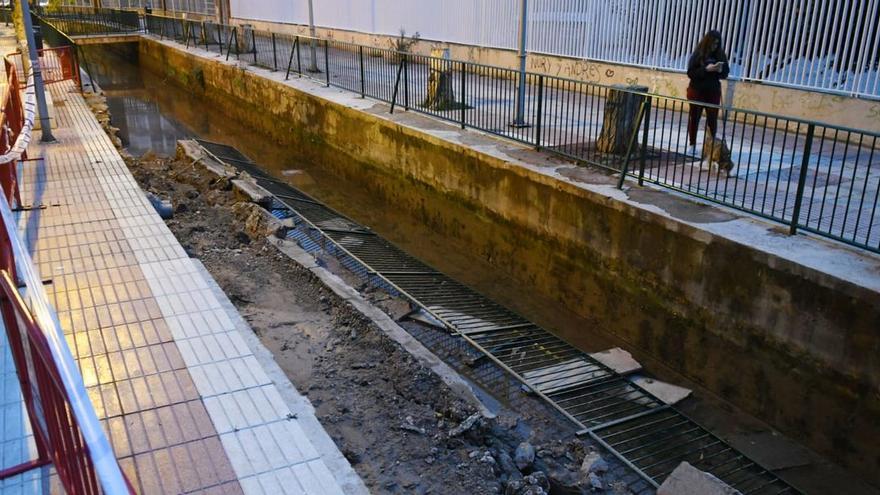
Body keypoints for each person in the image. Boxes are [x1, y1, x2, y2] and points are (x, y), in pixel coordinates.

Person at [686, 30, 729, 153]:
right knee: (694, 117)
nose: (714, 47)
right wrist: (705, 70)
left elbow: (725, 73)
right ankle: (692, 144)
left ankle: (710, 145)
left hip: (713, 91)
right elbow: (690, 73)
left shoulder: (720, 55)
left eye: (717, 44)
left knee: (712, 119)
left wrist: (719, 70)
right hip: (697, 90)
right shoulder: (698, 54)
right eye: (712, 44)